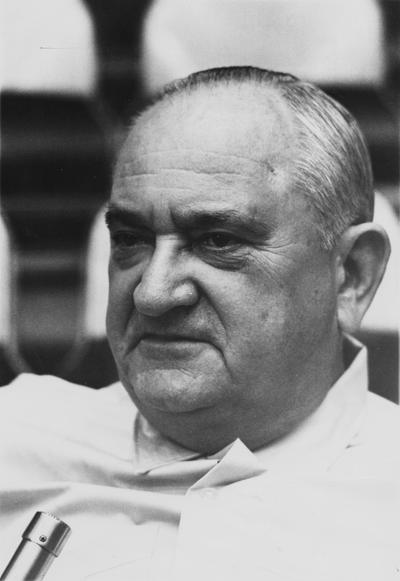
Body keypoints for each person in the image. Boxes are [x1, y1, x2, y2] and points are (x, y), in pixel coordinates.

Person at [0, 67, 399, 580]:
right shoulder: (15, 440)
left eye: (218, 241)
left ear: (351, 275)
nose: (152, 293)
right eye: (131, 240)